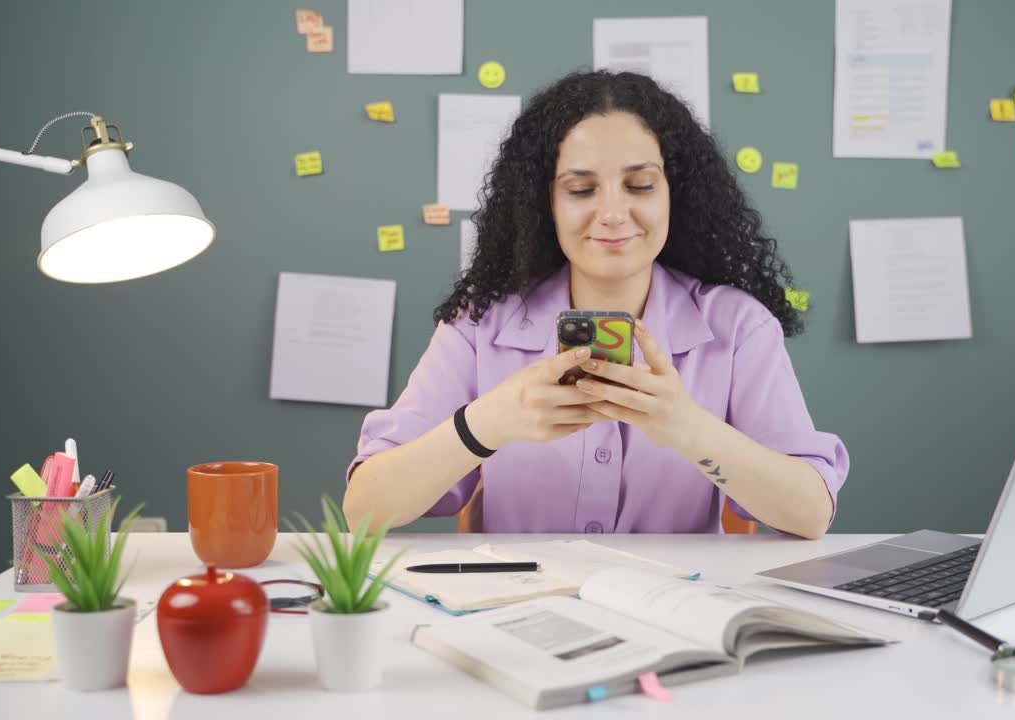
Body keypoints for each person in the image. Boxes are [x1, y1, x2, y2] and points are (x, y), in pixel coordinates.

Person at [344, 70, 847, 539]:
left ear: (676, 194)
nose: (611, 213)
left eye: (640, 185)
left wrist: (687, 428)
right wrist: (487, 423)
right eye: (581, 189)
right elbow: (363, 511)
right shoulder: (479, 325)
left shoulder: (738, 327)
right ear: (547, 205)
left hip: (670, 614)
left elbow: (810, 514)